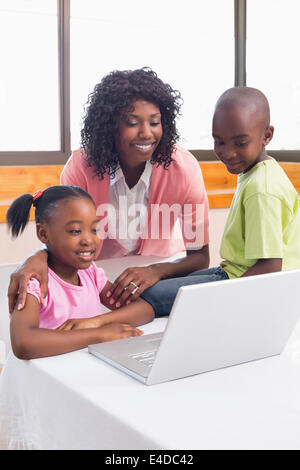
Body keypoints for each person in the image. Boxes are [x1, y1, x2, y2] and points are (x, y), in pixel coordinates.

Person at [7, 67, 210, 312]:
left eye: (154, 122)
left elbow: (200, 257)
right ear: (110, 126)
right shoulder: (81, 168)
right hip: (96, 280)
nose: (146, 133)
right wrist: (38, 256)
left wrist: (155, 271)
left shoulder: (184, 169)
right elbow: (62, 237)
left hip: (161, 274)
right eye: (132, 123)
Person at [140, 86, 300, 316]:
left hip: (250, 281)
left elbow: (270, 267)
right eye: (219, 142)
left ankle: (106, 325)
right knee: (157, 284)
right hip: (231, 271)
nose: (228, 152)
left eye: (240, 143)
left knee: (153, 295)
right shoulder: (257, 171)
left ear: (267, 135)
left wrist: (224, 300)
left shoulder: (262, 189)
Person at [6, 185, 155, 359]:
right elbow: (24, 343)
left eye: (94, 230)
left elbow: (145, 309)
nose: (88, 240)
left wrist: (95, 323)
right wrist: (99, 335)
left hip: (84, 367)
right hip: (47, 376)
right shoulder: (35, 282)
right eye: (75, 231)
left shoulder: (90, 274)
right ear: (43, 233)